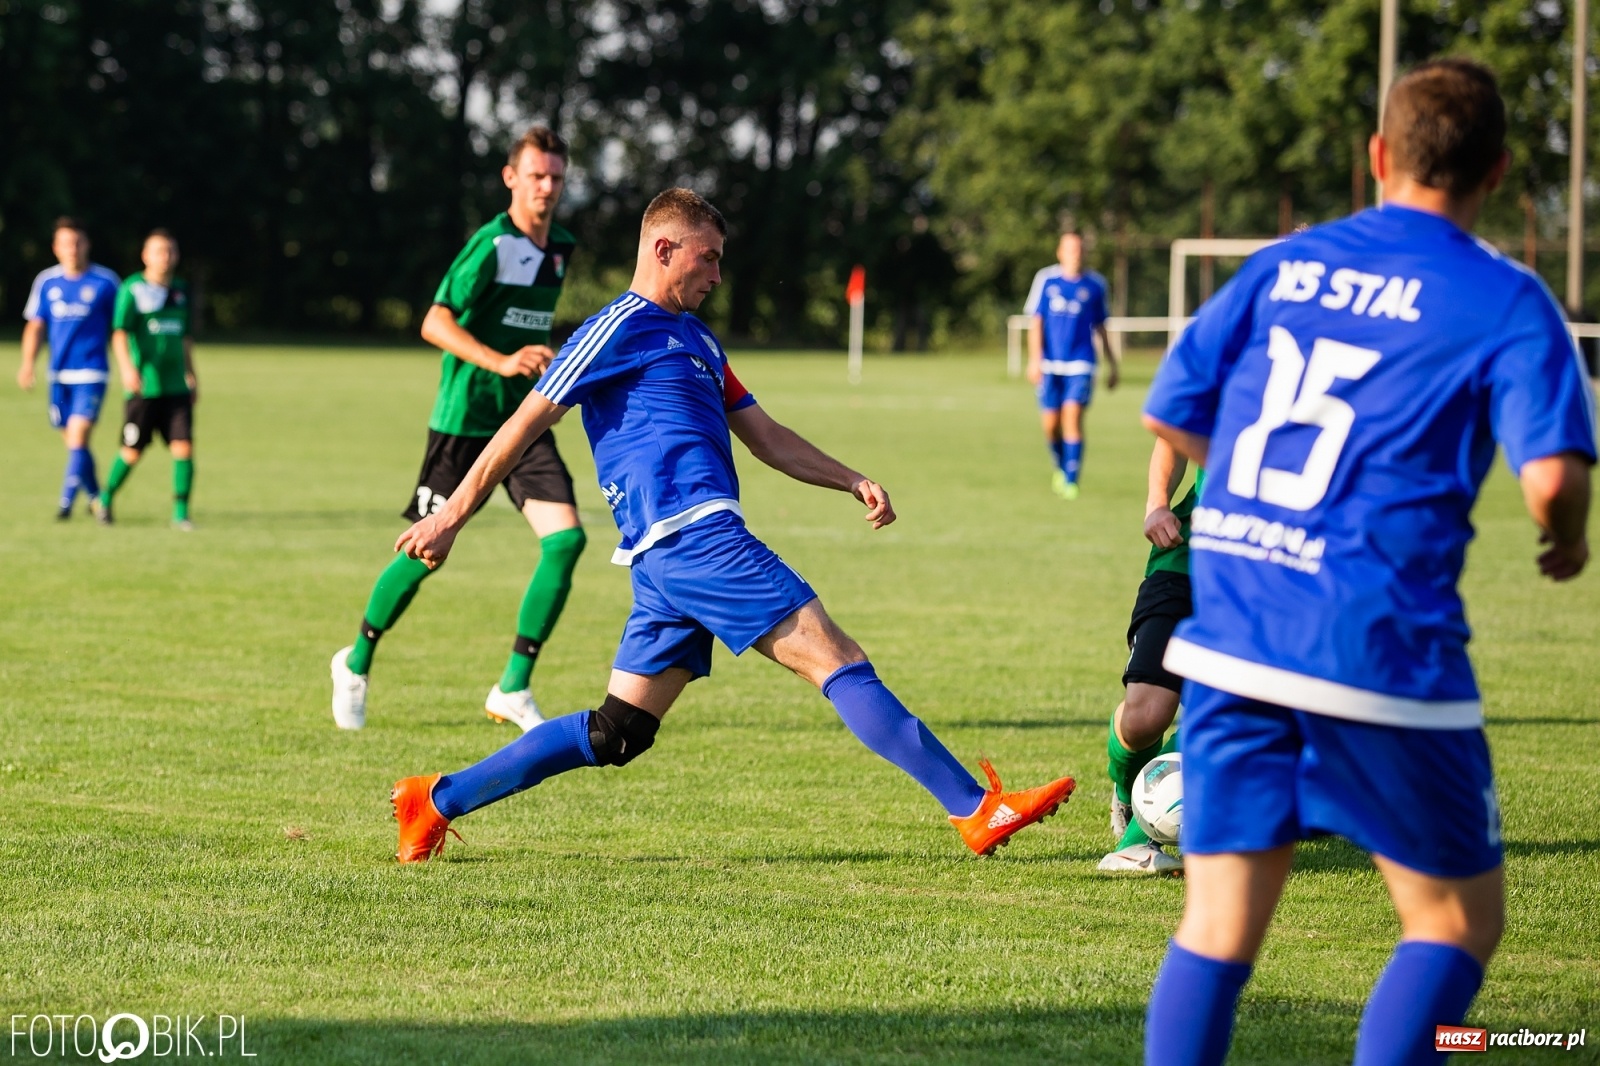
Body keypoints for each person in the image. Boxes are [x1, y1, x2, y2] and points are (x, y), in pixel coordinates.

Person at [385, 188, 1077, 863]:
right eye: (708, 258)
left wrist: (849, 478)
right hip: (696, 538)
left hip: (669, 560)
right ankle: (975, 808)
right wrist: (451, 514)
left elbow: (767, 438)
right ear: (663, 249)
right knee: (837, 657)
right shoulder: (617, 325)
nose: (718, 274)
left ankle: (437, 801)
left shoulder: (699, 341)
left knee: (617, 732)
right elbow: (522, 424)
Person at [1140, 59, 1594, 1066]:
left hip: (1236, 637)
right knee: (1450, 925)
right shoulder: (1507, 298)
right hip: (1378, 650)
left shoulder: (1281, 265)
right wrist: (1568, 536)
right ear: (1502, 170)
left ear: (1379, 155)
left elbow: (1171, 409)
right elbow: (1553, 477)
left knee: (1215, 927)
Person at [330, 126, 587, 733]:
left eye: (555, 177)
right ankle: (355, 663)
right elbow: (435, 322)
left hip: (522, 421)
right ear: (511, 179)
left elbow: (521, 322)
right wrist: (500, 361)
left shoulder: (560, 249)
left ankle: (513, 688)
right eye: (535, 176)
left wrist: (536, 355)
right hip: (463, 423)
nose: (546, 187)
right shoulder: (491, 245)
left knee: (567, 541)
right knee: (426, 552)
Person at [1098, 437, 1196, 876]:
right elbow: (1175, 436)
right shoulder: (1227, 366)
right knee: (1144, 719)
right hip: (1184, 559)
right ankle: (1127, 789)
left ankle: (1139, 841)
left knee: (1221, 710)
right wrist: (1158, 504)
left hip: (1272, 580)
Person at [17, 217, 120, 519]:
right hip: (58, 376)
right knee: (75, 445)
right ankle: (97, 498)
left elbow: (120, 328)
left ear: (87, 245)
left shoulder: (105, 282)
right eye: (66, 243)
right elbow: (35, 326)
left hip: (91, 372)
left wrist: (130, 366)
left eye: (77, 242)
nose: (72, 249)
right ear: (56, 248)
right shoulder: (47, 282)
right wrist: (27, 364)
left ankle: (65, 503)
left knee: (78, 437)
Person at [99, 229, 198, 529]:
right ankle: (105, 499)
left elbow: (184, 338)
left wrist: (192, 374)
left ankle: (180, 514)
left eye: (170, 251)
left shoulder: (180, 292)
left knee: (184, 448)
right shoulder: (133, 289)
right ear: (145, 255)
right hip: (145, 387)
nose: (165, 257)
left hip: (175, 387)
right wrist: (128, 369)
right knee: (132, 451)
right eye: (159, 251)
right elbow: (119, 333)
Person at [1024, 232, 1117, 499]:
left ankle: (1072, 481)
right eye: (1070, 249)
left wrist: (1112, 365)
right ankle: (1061, 467)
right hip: (1050, 364)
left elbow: (1101, 327)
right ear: (1060, 252)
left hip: (1081, 363)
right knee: (1050, 425)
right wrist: (1034, 360)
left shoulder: (1095, 285)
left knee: (1072, 418)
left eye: (1079, 250)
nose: (1076, 254)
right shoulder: (1046, 280)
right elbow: (1036, 322)